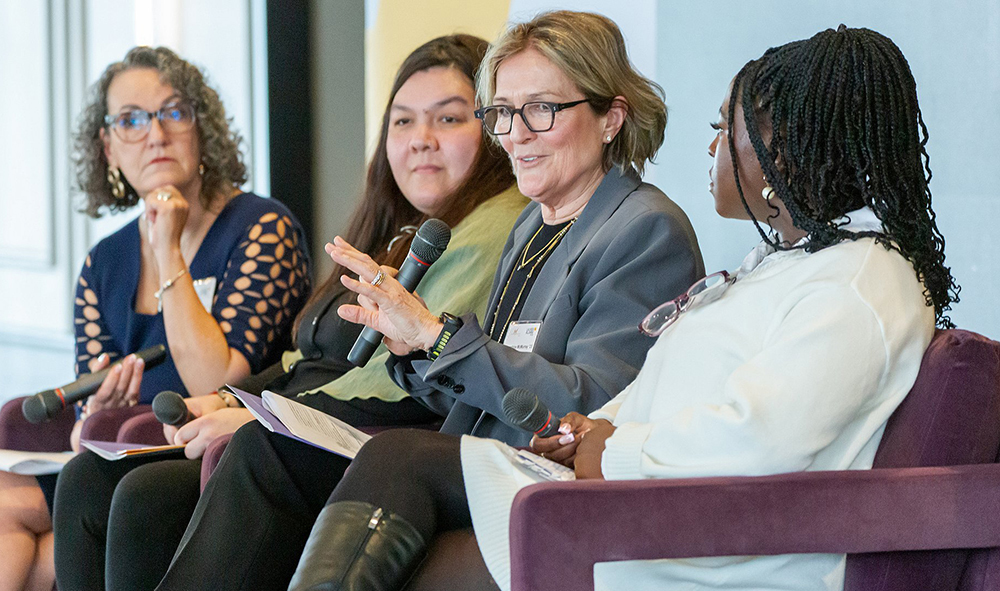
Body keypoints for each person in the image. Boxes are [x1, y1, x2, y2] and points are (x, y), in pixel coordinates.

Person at [288, 24, 961, 591]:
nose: (711, 147)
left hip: (690, 536)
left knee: (400, 467)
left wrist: (612, 447)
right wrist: (589, 428)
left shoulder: (860, 280)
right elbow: (660, 392)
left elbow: (758, 436)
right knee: (388, 484)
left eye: (724, 130)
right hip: (633, 501)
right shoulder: (793, 264)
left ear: (789, 144)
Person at [154, 11, 704, 591]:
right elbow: (486, 375)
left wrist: (436, 336)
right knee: (269, 453)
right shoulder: (531, 227)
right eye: (504, 113)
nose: (516, 134)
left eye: (541, 109)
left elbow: (591, 402)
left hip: (545, 468)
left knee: (364, 457)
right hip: (476, 451)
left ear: (610, 117)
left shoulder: (645, 228)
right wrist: (410, 348)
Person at [53, 34, 527, 591]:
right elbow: (299, 355)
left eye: (447, 120)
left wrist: (263, 413)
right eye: (402, 122)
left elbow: (395, 380)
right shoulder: (392, 229)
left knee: (148, 493)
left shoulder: (488, 226)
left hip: (356, 430)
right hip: (290, 413)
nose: (420, 140)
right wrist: (236, 401)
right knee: (88, 475)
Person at [0, 46, 311, 591]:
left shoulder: (262, 227)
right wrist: (99, 407)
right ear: (108, 146)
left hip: (211, 454)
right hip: (115, 457)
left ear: (201, 126)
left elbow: (217, 379)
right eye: (131, 120)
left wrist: (168, 249)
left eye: (173, 112)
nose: (156, 135)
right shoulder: (105, 260)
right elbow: (85, 411)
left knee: (34, 536)